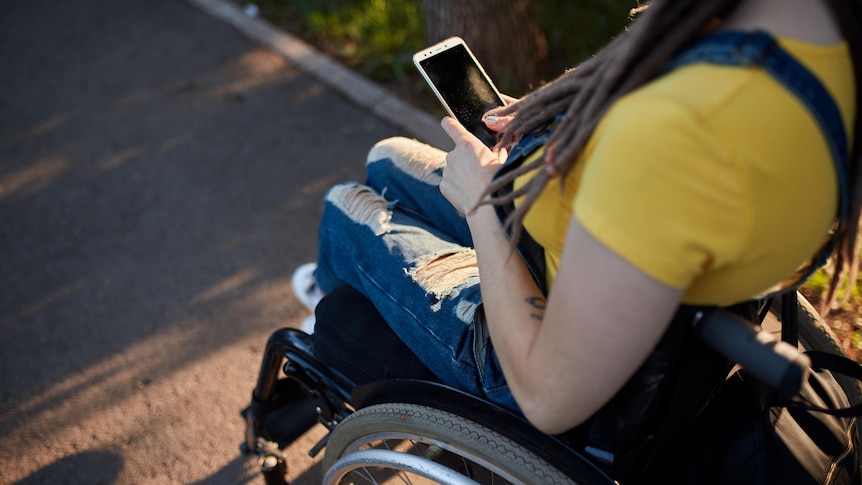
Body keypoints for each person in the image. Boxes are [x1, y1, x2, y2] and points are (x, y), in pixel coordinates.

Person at [292, 0, 861, 437]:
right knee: (387, 157)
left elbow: (546, 398)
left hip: (531, 351)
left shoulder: (676, 138)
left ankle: (327, 339)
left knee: (347, 207)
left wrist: (481, 208)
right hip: (592, 257)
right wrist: (550, 129)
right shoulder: (824, 56)